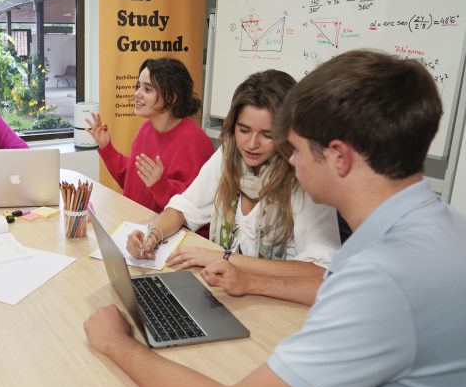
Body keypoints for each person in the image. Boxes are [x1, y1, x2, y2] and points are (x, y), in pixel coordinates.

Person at [84, 50, 466, 387]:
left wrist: (120, 344)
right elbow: (333, 288)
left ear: (339, 157)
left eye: (295, 149)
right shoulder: (435, 228)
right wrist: (254, 281)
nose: (290, 163)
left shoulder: (381, 278)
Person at [127, 70, 339, 305]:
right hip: (229, 296)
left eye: (267, 135)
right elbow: (181, 208)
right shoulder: (229, 154)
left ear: (289, 134)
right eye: (244, 130)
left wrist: (225, 258)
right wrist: (152, 237)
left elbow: (320, 272)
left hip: (279, 307)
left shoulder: (304, 175)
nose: (251, 144)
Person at [85, 58, 214, 213]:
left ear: (171, 97)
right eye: (138, 86)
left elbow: (194, 208)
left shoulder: (195, 141)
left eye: (147, 89)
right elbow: (132, 180)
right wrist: (107, 148)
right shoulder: (146, 128)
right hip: (137, 228)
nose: (137, 94)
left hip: (169, 234)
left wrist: (161, 185)